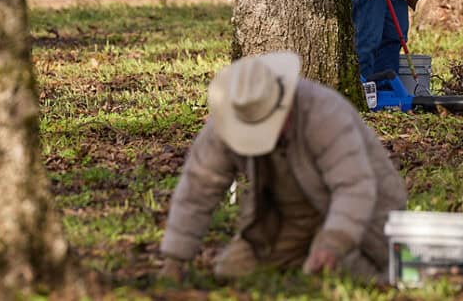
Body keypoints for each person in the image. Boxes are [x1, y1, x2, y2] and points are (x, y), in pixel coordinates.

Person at [158, 52, 407, 282]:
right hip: (286, 219)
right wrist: (175, 258)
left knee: (333, 271)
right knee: (231, 271)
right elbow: (198, 186)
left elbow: (354, 188)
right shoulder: (231, 117)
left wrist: (332, 243)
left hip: (360, 213)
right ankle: (299, 259)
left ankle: (376, 272)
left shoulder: (325, 113)